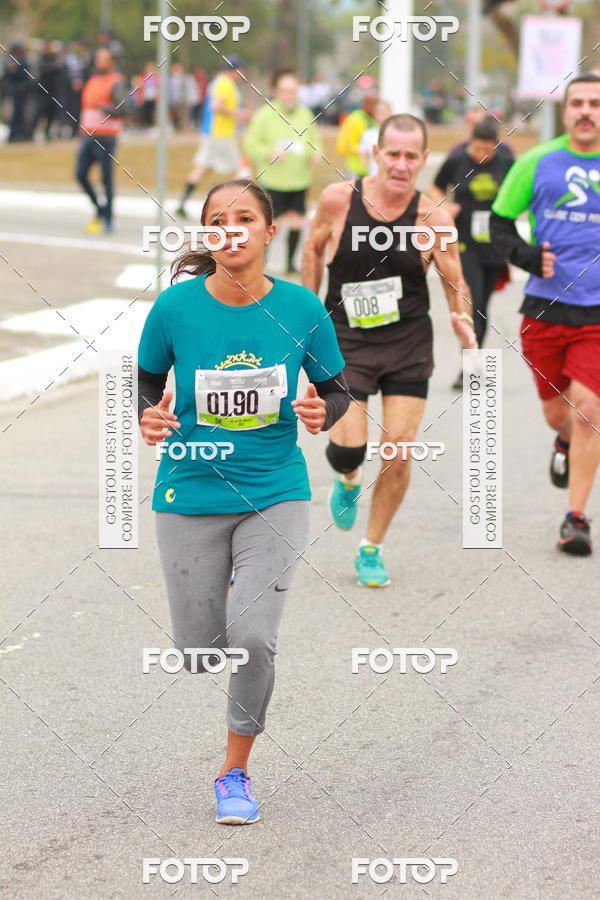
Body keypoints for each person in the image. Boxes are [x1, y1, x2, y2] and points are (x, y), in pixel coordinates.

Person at [137, 179, 349, 824]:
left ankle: (234, 772)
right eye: (217, 219)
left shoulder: (302, 307)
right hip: (189, 490)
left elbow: (335, 387)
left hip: (273, 491)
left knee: (252, 639)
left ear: (268, 230)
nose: (231, 228)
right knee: (202, 652)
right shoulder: (174, 309)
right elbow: (145, 382)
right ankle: (227, 578)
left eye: (244, 217)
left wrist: (321, 408)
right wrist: (149, 416)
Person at [302, 114, 477, 587]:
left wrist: (461, 318)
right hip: (345, 342)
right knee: (350, 448)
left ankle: (371, 547)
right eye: (392, 153)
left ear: (423, 160)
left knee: (398, 452)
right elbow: (314, 250)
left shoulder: (431, 217)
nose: (400, 164)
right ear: (376, 154)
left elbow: (454, 280)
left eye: (411, 156)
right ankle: (347, 476)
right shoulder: (338, 200)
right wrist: (303, 309)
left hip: (406, 346)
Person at [491, 74, 600, 556]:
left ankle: (575, 518)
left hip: (596, 313)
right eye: (578, 103)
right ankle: (562, 443)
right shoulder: (536, 161)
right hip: (545, 307)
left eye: (595, 104)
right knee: (559, 414)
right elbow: (496, 223)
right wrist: (526, 256)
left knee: (589, 413)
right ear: (564, 109)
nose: (586, 112)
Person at [429, 117, 513, 387]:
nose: (479, 155)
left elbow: (520, 195)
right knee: (471, 302)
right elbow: (435, 186)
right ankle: (469, 366)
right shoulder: (457, 160)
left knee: (483, 308)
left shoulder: (506, 163)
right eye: (475, 148)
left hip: (493, 243)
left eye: (485, 150)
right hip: (464, 242)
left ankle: (473, 362)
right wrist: (442, 208)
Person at [243, 68, 322, 274]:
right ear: (276, 92)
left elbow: (315, 141)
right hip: (274, 181)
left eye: (293, 91)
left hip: (299, 180)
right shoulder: (265, 114)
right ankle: (258, 263)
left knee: (296, 221)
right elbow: (250, 144)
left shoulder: (305, 113)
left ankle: (290, 263)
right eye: (285, 91)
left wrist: (315, 153)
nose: (290, 95)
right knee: (272, 227)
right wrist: (269, 153)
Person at [176, 57, 246, 217]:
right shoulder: (224, 83)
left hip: (213, 133)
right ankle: (231, 208)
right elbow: (216, 105)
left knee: (203, 168)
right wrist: (238, 114)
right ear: (235, 70)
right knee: (237, 171)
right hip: (221, 134)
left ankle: (182, 203)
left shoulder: (219, 81)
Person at [75, 47, 127, 234]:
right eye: (98, 58)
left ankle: (108, 218)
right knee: (80, 174)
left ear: (112, 62)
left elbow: (124, 108)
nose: (99, 61)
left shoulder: (116, 81)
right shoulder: (93, 80)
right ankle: (100, 209)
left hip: (106, 136)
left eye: (103, 58)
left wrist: (105, 108)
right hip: (87, 135)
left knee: (106, 179)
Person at [336, 95, 378, 178]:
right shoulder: (356, 119)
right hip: (357, 171)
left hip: (370, 171)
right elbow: (343, 146)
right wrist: (362, 151)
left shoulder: (374, 120)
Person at [450, 106, 514, 160]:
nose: (475, 127)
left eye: (479, 123)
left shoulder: (503, 150)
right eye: (471, 123)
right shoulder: (458, 151)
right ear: (466, 124)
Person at [358, 99, 392, 176]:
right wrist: (368, 171)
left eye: (384, 112)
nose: (381, 115)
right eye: (378, 112)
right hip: (374, 176)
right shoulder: (367, 134)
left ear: (390, 113)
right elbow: (363, 154)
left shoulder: (397, 133)